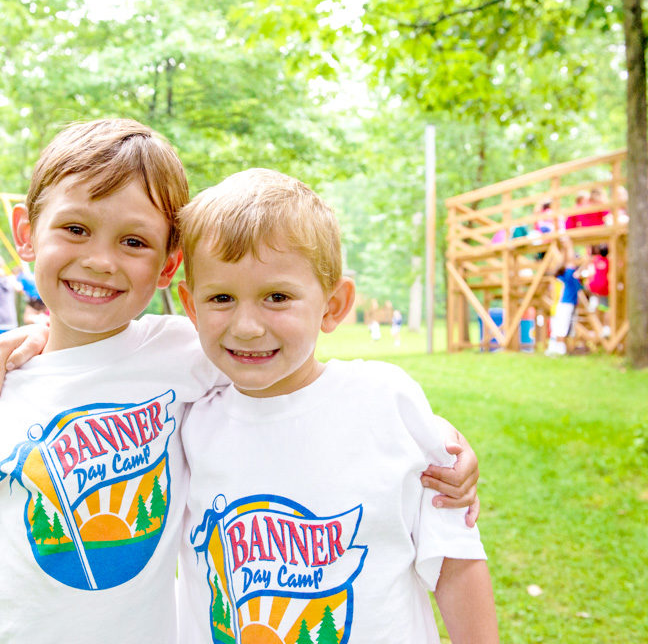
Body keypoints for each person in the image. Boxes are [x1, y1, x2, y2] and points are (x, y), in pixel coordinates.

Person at [0, 120, 480, 644]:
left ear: (167, 267)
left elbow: (300, 381)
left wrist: (441, 446)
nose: (101, 260)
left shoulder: (186, 350)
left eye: (133, 241)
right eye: (76, 229)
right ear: (27, 233)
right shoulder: (1, 388)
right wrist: (30, 339)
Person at [174, 169, 497, 643]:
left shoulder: (386, 403)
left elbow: (455, 560)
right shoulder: (187, 417)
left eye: (277, 297)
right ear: (191, 307)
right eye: (221, 297)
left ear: (333, 305)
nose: (245, 326)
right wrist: (37, 338)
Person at [546, 237, 584, 356]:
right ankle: (560, 348)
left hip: (564, 303)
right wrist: (569, 246)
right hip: (565, 303)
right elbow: (569, 261)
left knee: (562, 326)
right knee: (562, 326)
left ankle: (559, 347)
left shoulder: (564, 276)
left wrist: (565, 248)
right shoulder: (568, 275)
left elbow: (565, 262)